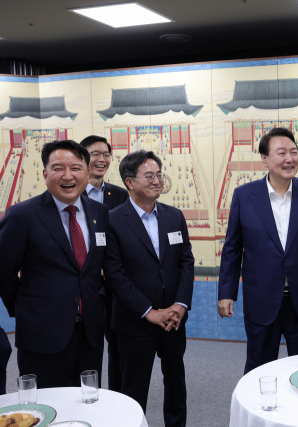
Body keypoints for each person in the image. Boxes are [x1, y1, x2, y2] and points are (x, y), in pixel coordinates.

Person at [218, 127, 298, 374]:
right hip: (261, 296)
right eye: (281, 153)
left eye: (294, 152)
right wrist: (226, 293)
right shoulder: (244, 195)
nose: (290, 159)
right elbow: (232, 248)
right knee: (259, 367)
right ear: (265, 160)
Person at [0, 140, 109, 388]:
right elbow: (4, 272)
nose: (68, 176)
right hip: (42, 334)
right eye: (58, 168)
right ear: (45, 174)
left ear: (87, 172)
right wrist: (27, 308)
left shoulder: (99, 212)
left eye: (76, 168)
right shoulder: (22, 215)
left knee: (89, 400)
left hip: (90, 333)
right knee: (46, 404)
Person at [103, 150, 193, 427]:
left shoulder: (174, 216)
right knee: (133, 388)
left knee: (176, 382)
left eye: (159, 175)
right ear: (129, 182)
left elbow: (186, 263)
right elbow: (115, 275)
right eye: (149, 176)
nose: (157, 181)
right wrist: (149, 312)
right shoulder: (112, 220)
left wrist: (180, 305)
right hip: (134, 321)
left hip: (174, 320)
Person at [80, 135, 129, 393]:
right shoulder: (71, 194)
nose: (102, 159)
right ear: (82, 157)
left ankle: (118, 396)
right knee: (87, 346)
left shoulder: (120, 195)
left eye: (106, 154)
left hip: (115, 285)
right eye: (95, 154)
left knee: (119, 345)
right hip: (85, 286)